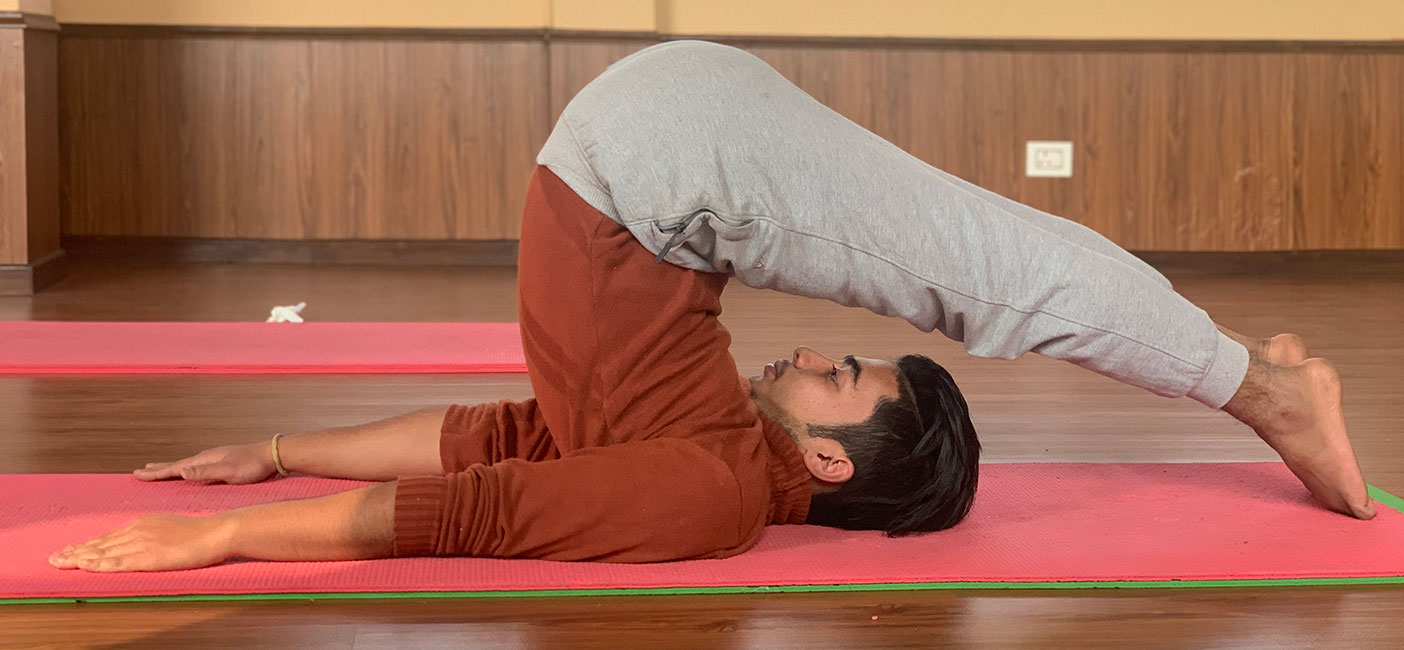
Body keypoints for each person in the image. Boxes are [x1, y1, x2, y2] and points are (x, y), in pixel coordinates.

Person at [49, 41, 1372, 574]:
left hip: (657, 154)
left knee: (989, 271)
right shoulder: (711, 465)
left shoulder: (701, 481)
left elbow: (484, 466)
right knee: (984, 273)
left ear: (824, 458)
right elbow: (486, 484)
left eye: (840, 376)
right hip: (663, 155)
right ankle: (1256, 387)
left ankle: (1259, 384)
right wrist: (239, 514)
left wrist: (244, 495)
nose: (809, 350)